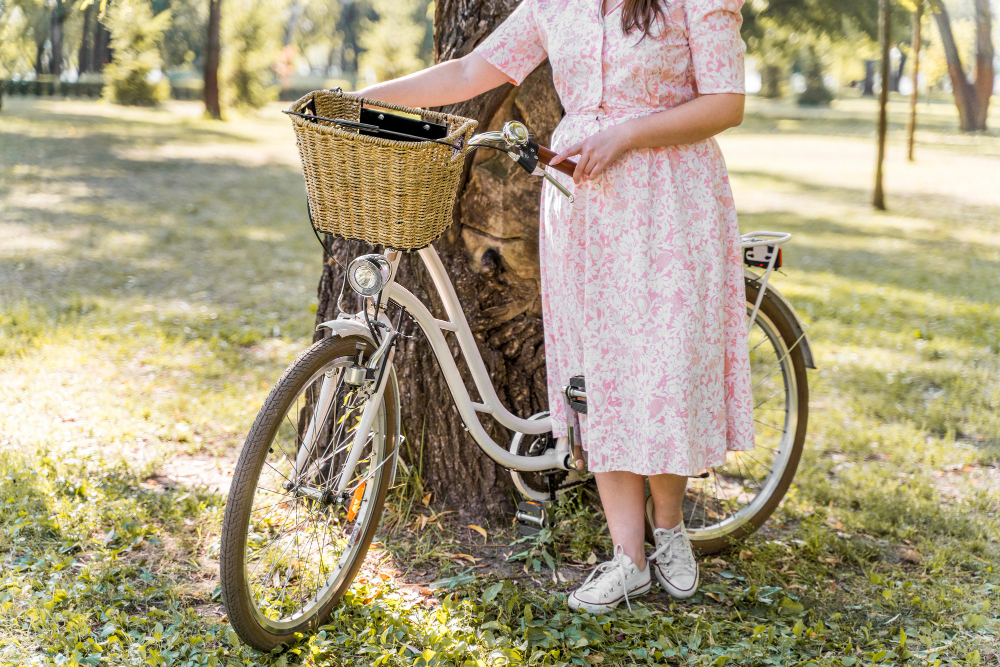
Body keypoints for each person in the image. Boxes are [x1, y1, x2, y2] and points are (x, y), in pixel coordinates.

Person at [356, 0, 754, 613]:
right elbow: (469, 73)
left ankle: (670, 526)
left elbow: (726, 102)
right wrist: (364, 97)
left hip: (670, 202)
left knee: (662, 369)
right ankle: (629, 558)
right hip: (585, 205)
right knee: (600, 372)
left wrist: (627, 132)